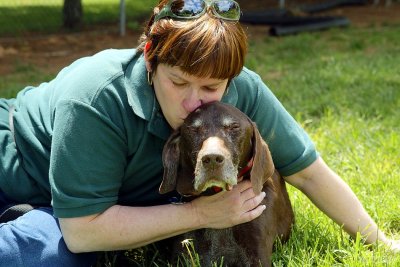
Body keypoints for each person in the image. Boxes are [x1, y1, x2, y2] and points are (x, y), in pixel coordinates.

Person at [0, 0, 399, 265]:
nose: (195, 101)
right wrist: (198, 213)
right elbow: (83, 231)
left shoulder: (242, 91)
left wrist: (381, 243)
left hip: (73, 202)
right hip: (16, 167)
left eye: (212, 87)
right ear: (150, 61)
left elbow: (309, 172)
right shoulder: (96, 96)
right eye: (179, 83)